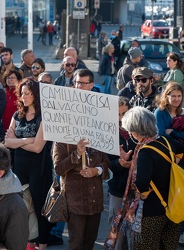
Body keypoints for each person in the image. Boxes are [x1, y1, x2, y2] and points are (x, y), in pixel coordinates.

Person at [52, 69, 110, 249]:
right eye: (77, 83)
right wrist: (76, 154)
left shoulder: (101, 120)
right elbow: (58, 169)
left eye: (84, 83)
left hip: (95, 197)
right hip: (74, 198)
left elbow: (107, 160)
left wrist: (97, 170)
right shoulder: (63, 127)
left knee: (89, 242)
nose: (80, 87)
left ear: (92, 86)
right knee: (75, 243)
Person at [119, 107, 183, 250]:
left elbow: (142, 182)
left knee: (147, 246)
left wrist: (143, 194)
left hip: (153, 211)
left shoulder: (145, 152)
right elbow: (181, 150)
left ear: (135, 132)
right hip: (174, 205)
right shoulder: (165, 140)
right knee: (168, 246)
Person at [4, 79, 54, 250]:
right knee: (22, 206)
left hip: (39, 168)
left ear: (36, 95)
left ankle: (42, 244)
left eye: (28, 93)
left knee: (39, 206)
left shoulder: (44, 116)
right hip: (19, 166)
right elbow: (7, 143)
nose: (24, 97)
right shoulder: (17, 115)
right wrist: (27, 140)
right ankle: (28, 242)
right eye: (22, 93)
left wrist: (17, 141)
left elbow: (38, 147)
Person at [154, 82, 184, 247]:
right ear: (167, 96)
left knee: (182, 196)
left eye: (179, 96)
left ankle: (181, 232)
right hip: (165, 162)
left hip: (182, 162)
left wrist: (174, 132)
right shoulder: (160, 113)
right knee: (165, 197)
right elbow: (160, 136)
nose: (176, 99)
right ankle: (165, 229)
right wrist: (177, 136)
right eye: (173, 96)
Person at [105, 96, 137, 249]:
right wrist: (120, 163)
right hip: (117, 187)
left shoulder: (138, 131)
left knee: (132, 230)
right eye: (117, 114)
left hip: (136, 189)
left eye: (124, 114)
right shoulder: (109, 132)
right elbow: (107, 161)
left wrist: (133, 164)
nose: (121, 118)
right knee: (116, 227)